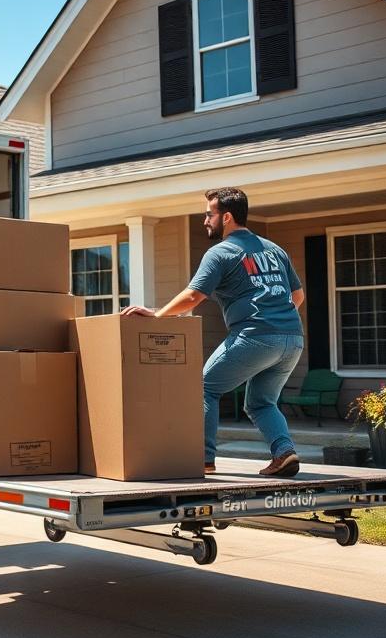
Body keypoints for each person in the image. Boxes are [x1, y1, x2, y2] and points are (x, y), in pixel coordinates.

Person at [122, 187, 305, 477]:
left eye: (210, 214)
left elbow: (194, 296)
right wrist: (277, 318)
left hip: (255, 335)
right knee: (261, 401)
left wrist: (156, 315)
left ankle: (204, 459)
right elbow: (297, 296)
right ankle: (284, 453)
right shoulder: (275, 250)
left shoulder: (221, 252)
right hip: (293, 339)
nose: (205, 221)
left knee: (205, 388)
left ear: (227, 217)